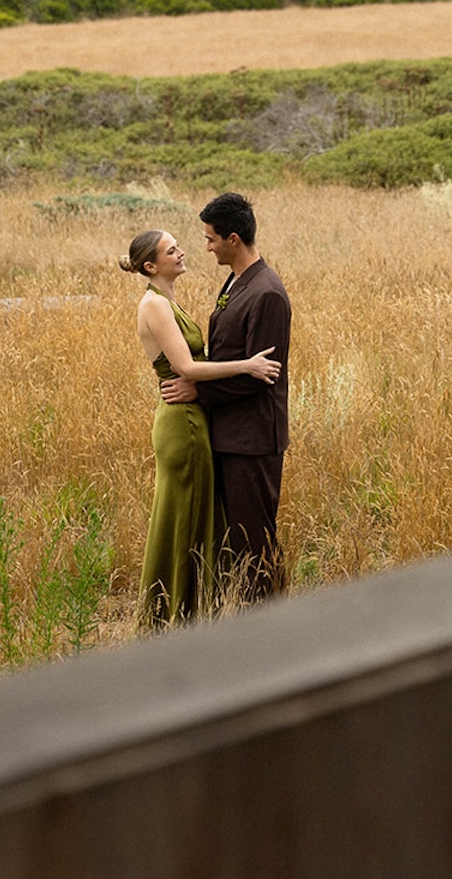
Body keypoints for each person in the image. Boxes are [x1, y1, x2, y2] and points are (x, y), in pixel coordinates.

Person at [120, 227, 280, 627]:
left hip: (193, 419)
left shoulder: (167, 301)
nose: (182, 252)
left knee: (190, 517)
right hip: (184, 425)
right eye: (171, 250)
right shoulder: (155, 305)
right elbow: (187, 369)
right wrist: (248, 365)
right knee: (184, 518)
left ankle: (191, 613)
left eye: (178, 246)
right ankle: (172, 617)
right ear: (151, 265)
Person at [161, 192, 292, 600]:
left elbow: (260, 376)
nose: (206, 246)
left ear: (233, 239)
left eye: (211, 239)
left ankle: (269, 619)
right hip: (230, 433)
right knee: (236, 537)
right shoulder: (238, 281)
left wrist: (199, 389)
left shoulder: (266, 293)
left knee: (255, 540)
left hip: (252, 439)